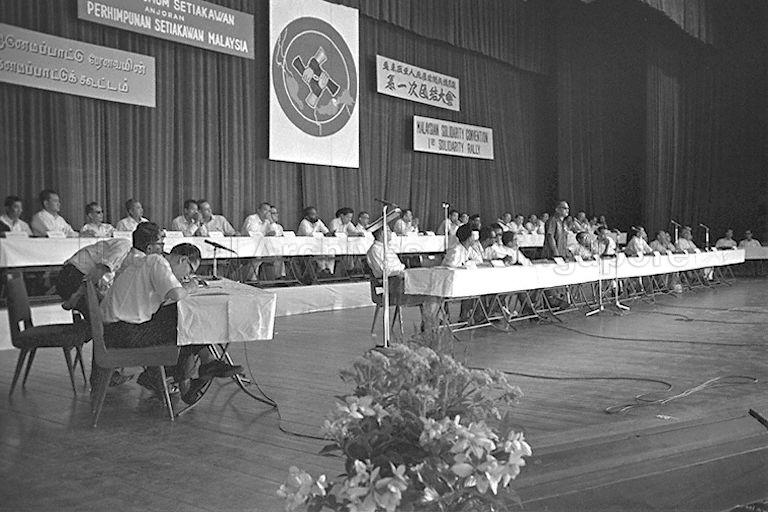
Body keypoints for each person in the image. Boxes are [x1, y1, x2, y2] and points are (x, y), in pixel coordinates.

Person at [100, 243, 241, 403]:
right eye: (190, 270)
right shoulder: (157, 262)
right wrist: (190, 286)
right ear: (183, 260)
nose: (187, 276)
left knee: (181, 319)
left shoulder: (146, 262)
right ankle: (194, 373)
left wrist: (182, 287)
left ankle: (195, 371)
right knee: (185, 321)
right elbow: (176, 294)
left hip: (115, 329)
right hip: (123, 333)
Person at [297, 206, 333, 274]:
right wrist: (316, 226)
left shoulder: (318, 221)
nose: (315, 216)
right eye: (312, 214)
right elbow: (310, 235)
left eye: (315, 214)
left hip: (316, 245)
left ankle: (330, 271)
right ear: (307, 216)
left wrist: (329, 233)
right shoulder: (304, 223)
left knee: (331, 252)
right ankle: (322, 270)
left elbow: (326, 231)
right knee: (320, 252)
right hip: (304, 246)